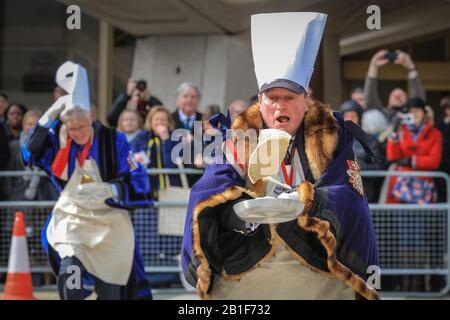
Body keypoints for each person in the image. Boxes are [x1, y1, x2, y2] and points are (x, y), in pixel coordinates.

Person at [181, 12, 379, 300]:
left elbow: (349, 194)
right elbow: (206, 192)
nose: (279, 106)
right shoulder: (240, 137)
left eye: (289, 98)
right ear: (260, 102)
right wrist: (240, 216)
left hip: (317, 265)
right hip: (250, 266)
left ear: (307, 100)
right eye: (272, 98)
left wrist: (309, 202)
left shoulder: (331, 135)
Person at [24, 61, 152, 300]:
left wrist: (112, 189)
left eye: (82, 127)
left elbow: (140, 179)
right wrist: (48, 117)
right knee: (70, 274)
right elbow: (29, 152)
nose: (77, 133)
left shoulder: (114, 141)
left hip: (108, 223)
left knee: (115, 286)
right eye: (71, 128)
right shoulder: (59, 142)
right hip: (71, 222)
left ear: (92, 119)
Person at [384, 97, 442, 204]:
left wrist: (412, 161)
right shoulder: (401, 131)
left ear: (424, 113)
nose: (414, 114)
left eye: (417, 110)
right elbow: (392, 157)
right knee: (402, 219)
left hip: (423, 185)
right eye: (410, 111)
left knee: (421, 220)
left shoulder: (435, 134)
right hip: (401, 186)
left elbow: (434, 161)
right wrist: (394, 132)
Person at [364, 49, 425, 130]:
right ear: (388, 100)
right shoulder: (381, 115)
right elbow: (370, 98)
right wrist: (373, 66)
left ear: (407, 100)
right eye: (394, 95)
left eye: (401, 95)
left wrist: (411, 67)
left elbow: (418, 100)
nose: (398, 96)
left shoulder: (412, 115)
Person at [340, 100, 386, 202]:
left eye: (353, 116)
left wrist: (361, 166)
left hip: (364, 195)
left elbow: (380, 168)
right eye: (347, 116)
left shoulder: (370, 141)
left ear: (359, 119)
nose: (350, 120)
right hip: (341, 194)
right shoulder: (334, 141)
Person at [171, 82, 203, 186]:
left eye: (193, 97)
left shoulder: (205, 120)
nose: (189, 100)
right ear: (178, 99)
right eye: (185, 96)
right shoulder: (168, 119)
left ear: (198, 100)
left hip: (199, 176)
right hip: (175, 175)